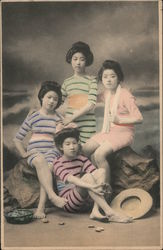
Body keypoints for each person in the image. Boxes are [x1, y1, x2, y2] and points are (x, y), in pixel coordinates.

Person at [53, 126, 132, 223]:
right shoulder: (57, 162)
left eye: (74, 143)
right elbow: (71, 179)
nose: (72, 147)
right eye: (68, 144)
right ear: (61, 147)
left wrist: (102, 185)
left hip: (83, 200)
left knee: (101, 171)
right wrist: (92, 186)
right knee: (87, 177)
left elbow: (95, 173)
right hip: (67, 202)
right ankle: (110, 212)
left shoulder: (81, 159)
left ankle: (96, 210)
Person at [83, 60, 143, 184]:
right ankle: (93, 183)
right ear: (102, 79)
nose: (108, 80)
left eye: (112, 76)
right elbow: (92, 97)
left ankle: (106, 189)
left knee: (98, 155)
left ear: (119, 77)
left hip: (124, 133)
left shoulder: (126, 95)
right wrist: (88, 83)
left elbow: (139, 118)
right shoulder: (106, 93)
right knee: (85, 149)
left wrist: (120, 120)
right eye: (105, 77)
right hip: (108, 131)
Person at [14, 81, 67, 218]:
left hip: (52, 152)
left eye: (55, 99)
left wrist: (61, 130)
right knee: (40, 160)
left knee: (48, 168)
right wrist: (24, 153)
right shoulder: (34, 116)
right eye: (49, 97)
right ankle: (52, 196)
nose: (52, 101)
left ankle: (40, 209)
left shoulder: (59, 118)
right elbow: (17, 138)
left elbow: (62, 140)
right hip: (36, 152)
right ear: (42, 97)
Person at [61, 41, 97, 144]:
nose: (78, 63)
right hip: (70, 125)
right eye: (75, 59)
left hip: (87, 125)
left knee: (84, 153)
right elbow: (56, 103)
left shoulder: (92, 80)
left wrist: (71, 118)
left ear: (87, 61)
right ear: (70, 60)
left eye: (82, 59)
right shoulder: (67, 82)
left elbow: (91, 104)